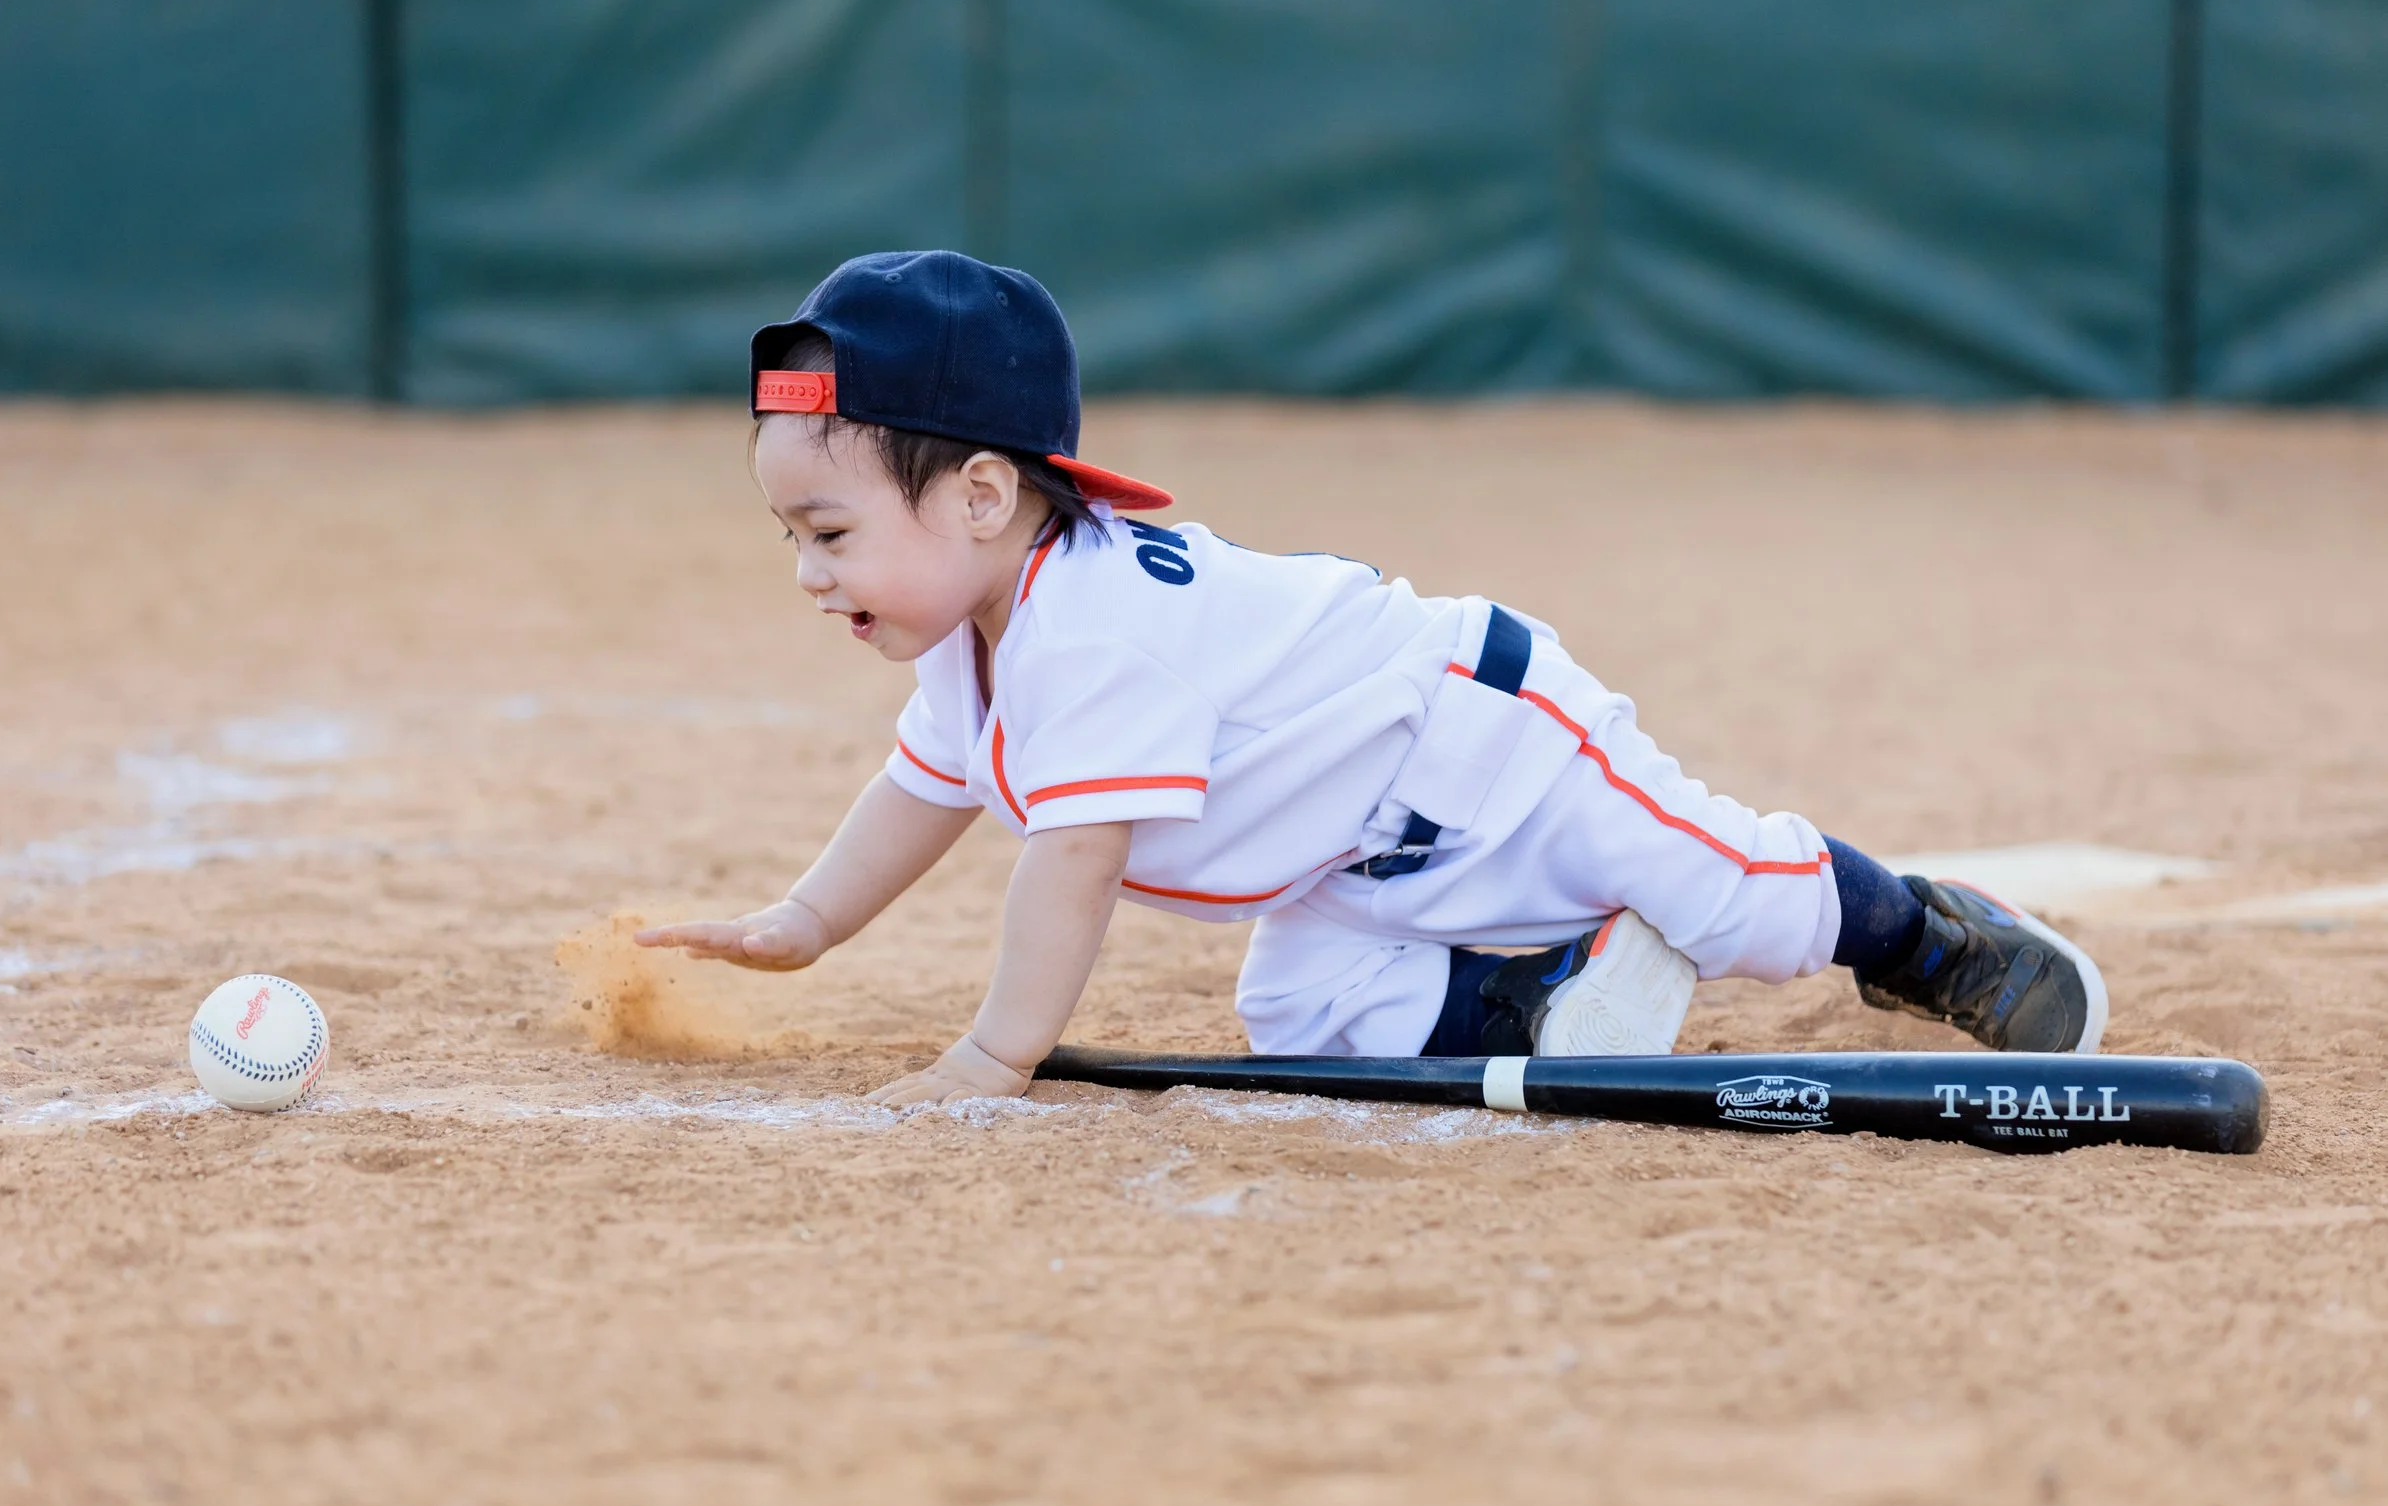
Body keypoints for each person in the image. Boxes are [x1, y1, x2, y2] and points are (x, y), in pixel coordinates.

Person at [636, 251, 2107, 1105]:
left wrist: (992, 1055)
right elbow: (925, 785)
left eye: (829, 531)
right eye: (794, 535)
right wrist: (804, 924)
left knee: (1737, 894)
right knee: (1311, 1012)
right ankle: (1545, 996)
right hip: (1356, 853)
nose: (808, 570)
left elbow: (1071, 861)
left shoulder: (1087, 625)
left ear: (974, 495)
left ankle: (1923, 936)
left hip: (1489, 741)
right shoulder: (982, 626)